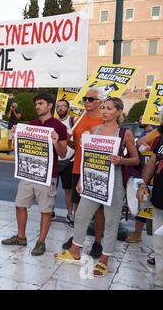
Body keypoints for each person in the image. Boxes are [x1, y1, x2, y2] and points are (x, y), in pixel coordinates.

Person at [55, 98, 140, 277]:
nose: (104, 111)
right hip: (93, 180)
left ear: (118, 112)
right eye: (103, 108)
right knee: (81, 215)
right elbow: (88, 158)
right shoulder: (94, 131)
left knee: (111, 221)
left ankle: (104, 260)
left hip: (114, 183)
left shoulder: (124, 134)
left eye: (109, 109)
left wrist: (121, 160)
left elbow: (136, 159)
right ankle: (75, 250)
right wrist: (82, 181)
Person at [2, 94, 67, 256]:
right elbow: (22, 148)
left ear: (50, 106)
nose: (37, 106)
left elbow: (63, 153)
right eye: (36, 104)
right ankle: (21, 237)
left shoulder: (59, 126)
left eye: (41, 103)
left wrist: (56, 141)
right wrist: (16, 135)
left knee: (45, 210)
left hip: (48, 175)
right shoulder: (32, 124)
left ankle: (41, 242)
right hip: (28, 173)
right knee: (19, 204)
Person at [61, 88, 105, 258]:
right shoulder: (79, 119)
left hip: (95, 170)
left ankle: (98, 242)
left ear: (99, 102)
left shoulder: (103, 120)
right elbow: (76, 146)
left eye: (91, 99)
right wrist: (66, 139)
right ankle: (77, 238)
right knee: (78, 207)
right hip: (77, 168)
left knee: (98, 210)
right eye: (85, 99)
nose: (87, 101)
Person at [137, 122, 163, 288]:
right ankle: (159, 280)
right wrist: (142, 184)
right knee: (159, 245)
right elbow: (153, 162)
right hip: (159, 201)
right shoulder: (159, 138)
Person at [55, 99, 76, 226]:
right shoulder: (53, 123)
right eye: (59, 106)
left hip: (70, 161)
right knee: (52, 189)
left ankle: (70, 214)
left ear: (68, 109)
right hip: (56, 160)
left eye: (63, 106)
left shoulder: (74, 121)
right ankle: (50, 212)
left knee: (69, 190)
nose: (61, 108)